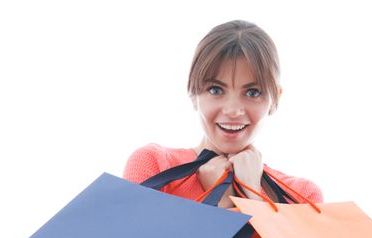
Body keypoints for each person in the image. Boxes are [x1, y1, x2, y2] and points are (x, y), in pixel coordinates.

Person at [123, 19, 323, 209]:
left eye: (252, 92)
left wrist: (252, 194)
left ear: (275, 100)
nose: (233, 110)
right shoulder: (155, 167)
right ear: (193, 93)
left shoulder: (301, 196)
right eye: (216, 90)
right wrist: (215, 202)